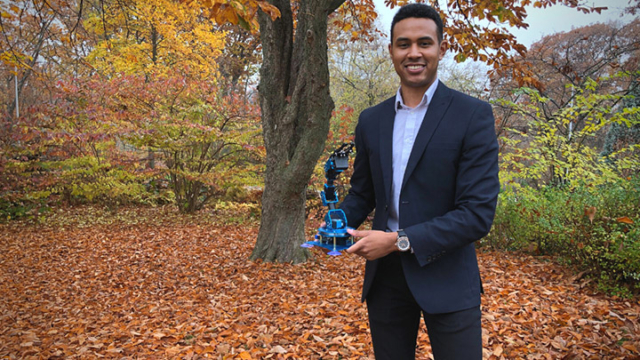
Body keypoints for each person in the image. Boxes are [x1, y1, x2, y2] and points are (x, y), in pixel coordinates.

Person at [336, 3, 500, 359]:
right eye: (403, 43)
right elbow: (363, 193)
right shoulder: (371, 120)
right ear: (392, 50)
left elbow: (476, 214)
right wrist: (337, 222)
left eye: (424, 43)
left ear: (441, 48)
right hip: (386, 282)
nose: (414, 53)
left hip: (449, 277)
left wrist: (397, 241)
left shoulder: (472, 115)